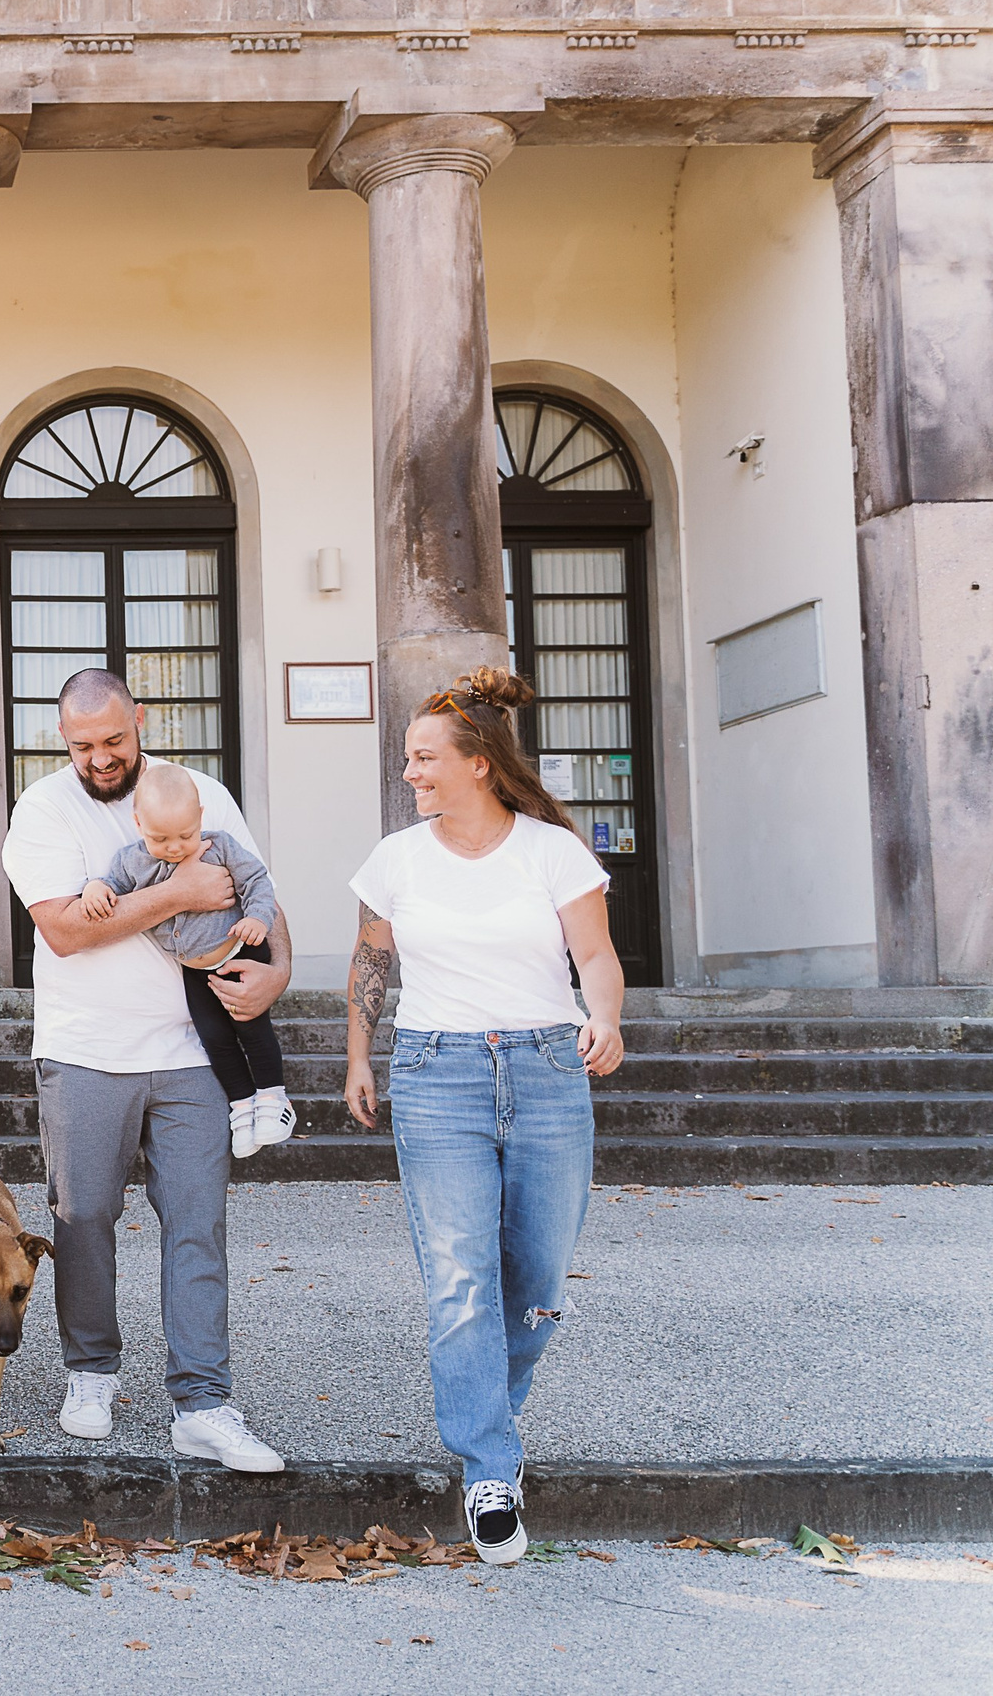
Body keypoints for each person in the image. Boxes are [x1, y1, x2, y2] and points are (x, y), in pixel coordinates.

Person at [344, 664, 626, 1566]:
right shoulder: (396, 858)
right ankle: (488, 1468)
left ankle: (486, 1416)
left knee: (537, 1283)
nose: (411, 773)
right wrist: (359, 1057)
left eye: (424, 757)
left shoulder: (550, 851)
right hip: (436, 1071)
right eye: (407, 759)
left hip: (547, 1065)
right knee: (461, 1278)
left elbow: (598, 955)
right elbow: (369, 967)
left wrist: (607, 1015)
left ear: (477, 762)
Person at [0, 667, 289, 1471]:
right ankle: (91, 1370)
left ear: (142, 722)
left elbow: (263, 895)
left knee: (198, 1223)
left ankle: (204, 1400)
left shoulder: (202, 793)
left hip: (196, 1051)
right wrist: (182, 890)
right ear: (63, 739)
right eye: (83, 744)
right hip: (86, 1046)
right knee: (83, 1213)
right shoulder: (44, 808)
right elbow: (63, 929)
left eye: (114, 740)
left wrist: (277, 973)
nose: (100, 758)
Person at [78, 761, 296, 1156]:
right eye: (161, 838)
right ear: (138, 822)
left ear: (200, 818)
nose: (176, 847)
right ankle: (242, 1103)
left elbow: (257, 881)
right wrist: (95, 887)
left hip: (240, 951)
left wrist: (257, 918)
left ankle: (273, 1098)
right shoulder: (131, 861)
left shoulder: (220, 846)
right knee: (214, 1038)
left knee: (250, 1027)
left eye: (185, 834)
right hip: (195, 970)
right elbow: (113, 887)